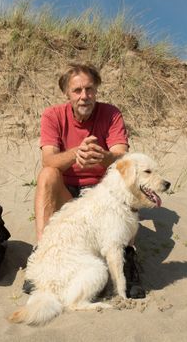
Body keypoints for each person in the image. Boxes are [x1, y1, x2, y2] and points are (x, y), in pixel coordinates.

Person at [26, 62, 145, 299]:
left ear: (97, 90)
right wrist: (75, 153)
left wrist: (105, 157)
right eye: (77, 91)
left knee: (127, 184)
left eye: (89, 89)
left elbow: (122, 157)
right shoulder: (53, 115)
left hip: (100, 195)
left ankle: (127, 258)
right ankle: (42, 253)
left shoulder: (111, 114)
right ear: (67, 94)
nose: (84, 96)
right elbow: (48, 159)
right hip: (67, 192)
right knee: (48, 175)